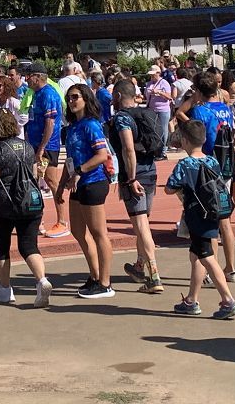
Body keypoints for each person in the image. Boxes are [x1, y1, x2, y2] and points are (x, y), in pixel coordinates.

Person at [165, 119, 235, 319]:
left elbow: (169, 188)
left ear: (184, 140)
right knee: (196, 254)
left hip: (196, 215)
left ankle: (228, 300)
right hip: (212, 212)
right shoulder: (212, 161)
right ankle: (191, 299)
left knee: (206, 256)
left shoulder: (185, 164)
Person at [0, 109, 53, 308]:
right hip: (30, 202)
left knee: (2, 246)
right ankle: (41, 280)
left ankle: (5, 289)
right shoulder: (27, 147)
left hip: (4, 204)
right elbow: (33, 175)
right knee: (29, 245)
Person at [179, 71, 235, 281]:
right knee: (225, 220)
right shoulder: (225, 109)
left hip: (208, 168)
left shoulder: (200, 111)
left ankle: (210, 268)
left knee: (210, 222)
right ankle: (231, 268)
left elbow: (193, 132)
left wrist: (191, 104)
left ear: (198, 90)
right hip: (226, 165)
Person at [57, 83, 114, 299]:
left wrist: (80, 171)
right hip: (77, 183)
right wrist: (62, 183)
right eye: (69, 98)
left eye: (75, 97)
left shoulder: (91, 125)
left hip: (94, 181)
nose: (71, 102)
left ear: (85, 99)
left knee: (99, 233)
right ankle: (95, 275)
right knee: (78, 232)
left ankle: (106, 282)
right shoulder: (71, 128)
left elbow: (101, 155)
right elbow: (70, 159)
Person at [110, 79, 163, 294]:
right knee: (142, 220)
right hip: (150, 171)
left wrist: (130, 179)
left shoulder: (122, 118)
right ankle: (141, 263)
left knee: (141, 225)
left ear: (119, 96)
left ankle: (153, 275)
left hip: (135, 175)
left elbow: (128, 149)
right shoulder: (146, 114)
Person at [26, 61, 68, 238]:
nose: (26, 79)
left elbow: (50, 123)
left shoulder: (48, 94)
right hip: (36, 144)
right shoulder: (36, 94)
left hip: (47, 146)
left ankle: (63, 221)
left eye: (29, 76)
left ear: (37, 77)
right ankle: (38, 220)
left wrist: (42, 147)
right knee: (34, 182)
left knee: (52, 181)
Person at [143, 65, 173, 159]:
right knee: (153, 130)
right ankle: (156, 150)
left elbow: (169, 96)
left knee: (163, 130)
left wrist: (159, 92)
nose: (152, 77)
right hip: (152, 109)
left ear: (158, 73)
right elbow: (145, 95)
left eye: (153, 74)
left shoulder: (164, 83)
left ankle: (163, 150)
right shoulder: (149, 83)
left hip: (163, 110)